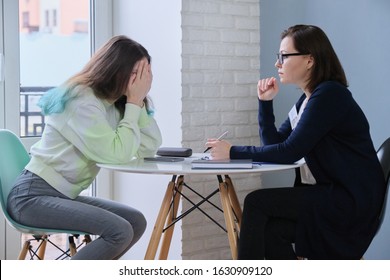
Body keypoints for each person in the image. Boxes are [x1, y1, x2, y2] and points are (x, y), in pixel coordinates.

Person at [205, 24, 386, 259]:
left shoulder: (330, 95)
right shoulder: (307, 99)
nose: (277, 63)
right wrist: (265, 103)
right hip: (332, 195)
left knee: (256, 203)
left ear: (309, 60)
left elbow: (288, 152)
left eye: (284, 56)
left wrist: (233, 151)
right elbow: (276, 144)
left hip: (347, 201)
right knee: (271, 231)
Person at [7, 35, 162, 259]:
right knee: (119, 230)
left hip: (62, 195)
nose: (141, 81)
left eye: (146, 75)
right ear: (116, 68)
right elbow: (117, 155)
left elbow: (149, 146)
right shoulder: (81, 99)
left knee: (135, 222)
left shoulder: (115, 104)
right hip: (31, 196)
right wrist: (134, 103)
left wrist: (138, 102)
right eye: (137, 74)